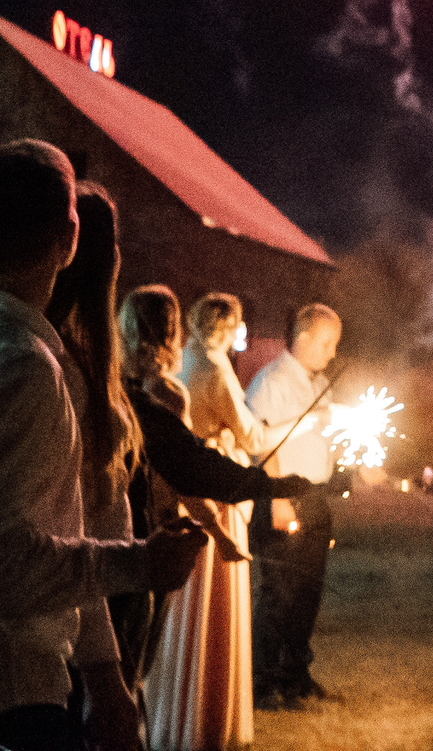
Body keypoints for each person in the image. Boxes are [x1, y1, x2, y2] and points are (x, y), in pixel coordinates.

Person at [0, 139, 206, 751]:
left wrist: (104, 679)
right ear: (68, 239)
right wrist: (137, 564)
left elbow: (55, 525)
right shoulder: (20, 364)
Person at [117, 289, 318, 690]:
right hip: (156, 527)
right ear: (171, 331)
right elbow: (188, 470)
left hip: (118, 529)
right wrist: (261, 495)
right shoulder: (175, 389)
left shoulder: (115, 387)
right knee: (135, 657)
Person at [44, 186, 149, 733]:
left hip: (98, 598)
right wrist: (105, 678)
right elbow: (69, 530)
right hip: (79, 618)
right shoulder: (55, 370)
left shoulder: (77, 360)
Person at [140, 293, 262, 750]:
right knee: (210, 613)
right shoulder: (213, 368)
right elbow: (249, 434)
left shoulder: (184, 362)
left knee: (179, 614)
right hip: (212, 489)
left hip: (182, 492)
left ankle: (172, 714)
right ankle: (203, 720)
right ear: (226, 326)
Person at [243, 301, 346, 707]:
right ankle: (262, 681)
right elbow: (260, 448)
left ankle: (295, 676)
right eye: (326, 343)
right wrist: (278, 501)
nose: (332, 353)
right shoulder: (271, 383)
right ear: (302, 339)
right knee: (279, 593)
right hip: (283, 498)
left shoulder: (320, 384)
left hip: (315, 497)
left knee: (308, 592)